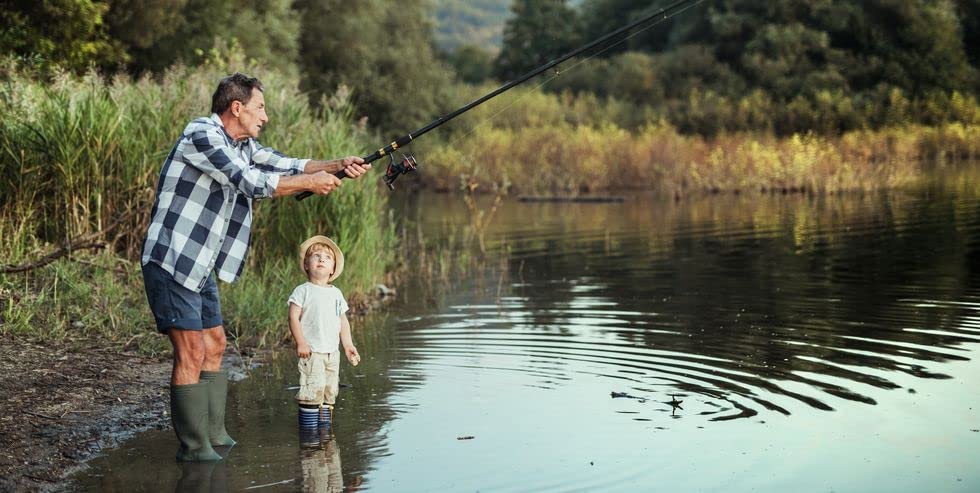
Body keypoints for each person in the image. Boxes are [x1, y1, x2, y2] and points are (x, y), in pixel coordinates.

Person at [141, 73, 371, 462]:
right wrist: (309, 183)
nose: (264, 116)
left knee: (215, 344)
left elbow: (287, 163)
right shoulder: (202, 134)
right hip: (171, 259)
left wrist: (336, 166)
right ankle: (194, 449)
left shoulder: (242, 145)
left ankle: (214, 435)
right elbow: (247, 180)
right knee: (191, 349)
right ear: (237, 107)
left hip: (201, 264)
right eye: (260, 107)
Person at [288, 235, 360, 430]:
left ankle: (325, 432)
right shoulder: (303, 290)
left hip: (332, 353)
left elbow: (342, 321)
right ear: (306, 265)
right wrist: (301, 342)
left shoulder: (336, 293)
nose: (321, 259)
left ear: (333, 268)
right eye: (316, 256)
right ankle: (309, 436)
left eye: (327, 258)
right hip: (312, 351)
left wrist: (348, 345)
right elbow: (293, 317)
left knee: (330, 391)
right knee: (312, 391)